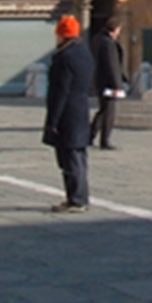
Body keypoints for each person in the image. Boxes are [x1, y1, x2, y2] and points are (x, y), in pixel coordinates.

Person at [43, 16, 95, 213]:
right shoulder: (84, 53)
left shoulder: (63, 58)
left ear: (61, 35)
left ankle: (76, 199)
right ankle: (80, 197)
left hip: (67, 113)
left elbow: (60, 91)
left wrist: (52, 121)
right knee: (79, 157)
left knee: (69, 159)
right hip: (81, 109)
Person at [89, 16, 125, 150]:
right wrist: (117, 85)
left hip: (100, 80)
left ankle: (90, 136)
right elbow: (112, 65)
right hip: (108, 82)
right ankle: (105, 140)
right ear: (115, 29)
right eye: (119, 30)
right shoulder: (108, 44)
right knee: (109, 112)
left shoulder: (97, 40)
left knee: (103, 110)